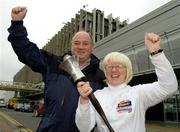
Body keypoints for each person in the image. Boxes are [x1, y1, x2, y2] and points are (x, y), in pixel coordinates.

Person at [8, 6, 106, 132]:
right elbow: (27, 51)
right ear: (71, 46)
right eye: (76, 43)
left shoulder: (100, 77)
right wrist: (17, 24)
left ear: (92, 47)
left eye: (85, 43)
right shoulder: (53, 63)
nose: (80, 47)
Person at [75, 33, 178, 132]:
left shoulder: (138, 93)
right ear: (105, 72)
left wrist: (156, 52)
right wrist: (84, 100)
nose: (114, 70)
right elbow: (84, 128)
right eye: (110, 66)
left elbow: (169, 87)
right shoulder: (96, 96)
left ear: (127, 71)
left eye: (119, 66)